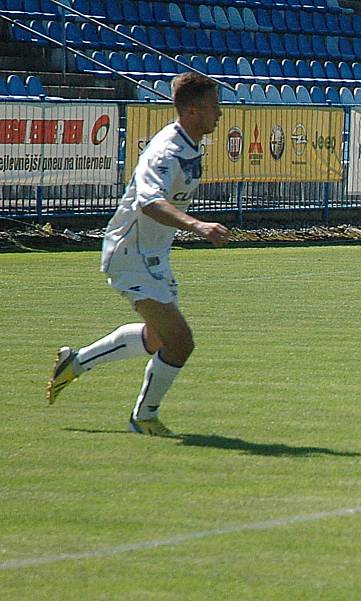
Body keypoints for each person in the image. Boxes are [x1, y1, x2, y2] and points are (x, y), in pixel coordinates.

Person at [46, 72, 230, 436]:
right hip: (130, 253)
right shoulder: (166, 152)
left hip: (154, 254)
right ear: (192, 110)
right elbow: (148, 203)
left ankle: (76, 362)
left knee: (159, 338)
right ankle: (143, 417)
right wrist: (198, 226)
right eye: (213, 107)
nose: (220, 114)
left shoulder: (189, 143)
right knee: (181, 341)